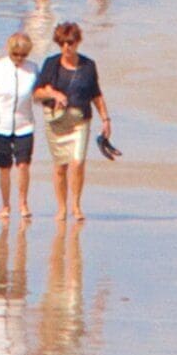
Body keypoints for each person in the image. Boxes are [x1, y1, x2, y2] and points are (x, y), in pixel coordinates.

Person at [33, 20, 112, 223]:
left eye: (70, 42)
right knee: (60, 166)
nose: (67, 47)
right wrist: (54, 93)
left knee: (77, 163)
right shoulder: (51, 64)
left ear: (78, 42)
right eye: (63, 43)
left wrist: (105, 119)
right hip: (56, 121)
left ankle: (76, 206)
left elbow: (96, 94)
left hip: (80, 120)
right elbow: (37, 93)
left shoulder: (88, 66)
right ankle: (61, 208)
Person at [0, 28, 41, 221]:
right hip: (0, 126)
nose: (19, 58)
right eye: (15, 54)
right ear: (9, 51)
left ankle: (23, 203)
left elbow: (38, 95)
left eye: (23, 55)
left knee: (23, 165)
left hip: (25, 125)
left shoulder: (33, 69)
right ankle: (5, 205)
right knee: (4, 168)